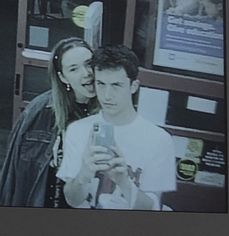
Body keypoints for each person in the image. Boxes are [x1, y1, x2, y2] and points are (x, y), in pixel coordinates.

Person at [56, 45, 176, 210]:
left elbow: (152, 209)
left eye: (116, 85)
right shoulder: (78, 130)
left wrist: (124, 182)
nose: (107, 95)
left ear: (134, 86)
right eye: (101, 84)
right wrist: (83, 174)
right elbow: (72, 200)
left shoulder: (159, 140)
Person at [0, 37, 98, 208]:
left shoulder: (109, 107)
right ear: (63, 78)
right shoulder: (41, 111)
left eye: (89, 64)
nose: (86, 73)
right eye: (74, 69)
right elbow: (15, 175)